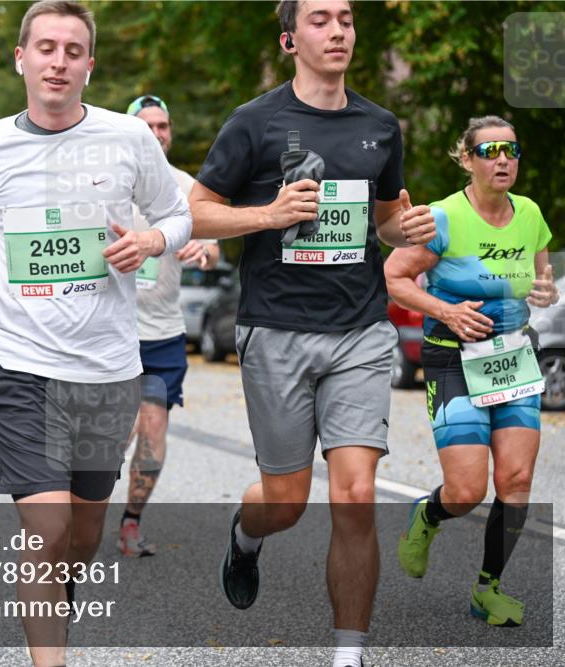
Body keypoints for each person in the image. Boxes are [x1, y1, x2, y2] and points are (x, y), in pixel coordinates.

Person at [0, 2, 191, 663]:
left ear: (89, 65)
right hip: (15, 365)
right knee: (46, 527)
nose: (58, 62)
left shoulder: (128, 138)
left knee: (80, 536)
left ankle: (59, 588)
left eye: (72, 51)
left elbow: (177, 213)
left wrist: (152, 240)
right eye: (45, 48)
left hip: (106, 373)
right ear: (21, 58)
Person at [189, 2, 436, 666]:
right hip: (276, 330)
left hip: (360, 330)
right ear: (289, 39)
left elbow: (385, 220)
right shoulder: (255, 121)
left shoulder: (379, 126)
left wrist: (407, 230)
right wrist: (268, 214)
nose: (337, 31)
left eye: (346, 19)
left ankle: (348, 654)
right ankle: (246, 536)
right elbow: (198, 214)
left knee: (355, 495)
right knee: (287, 501)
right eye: (321, 19)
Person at [385, 116, 558, 628]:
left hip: (512, 358)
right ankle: (428, 514)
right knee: (465, 491)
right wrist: (447, 311)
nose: (503, 160)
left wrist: (545, 291)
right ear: (467, 159)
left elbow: (541, 279)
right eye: (489, 151)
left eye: (511, 150)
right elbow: (394, 277)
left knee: (517, 480)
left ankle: (488, 588)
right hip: (452, 359)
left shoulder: (530, 214)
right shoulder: (442, 217)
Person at [118, 94, 220, 557]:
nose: (158, 134)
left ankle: (131, 523)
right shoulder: (106, 182)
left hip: (162, 335)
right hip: (109, 334)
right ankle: (78, 513)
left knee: (153, 430)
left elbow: (212, 243)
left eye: (164, 126)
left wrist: (204, 251)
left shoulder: (186, 187)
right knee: (110, 437)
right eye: (148, 126)